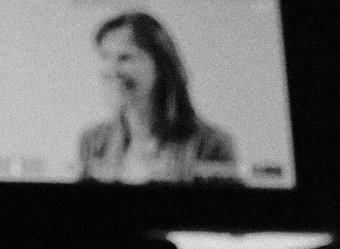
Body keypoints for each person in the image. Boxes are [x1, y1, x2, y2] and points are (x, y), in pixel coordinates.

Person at [78, 11, 240, 184]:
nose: (110, 70)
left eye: (124, 57)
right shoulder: (93, 142)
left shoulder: (211, 145)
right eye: (105, 56)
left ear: (160, 66)